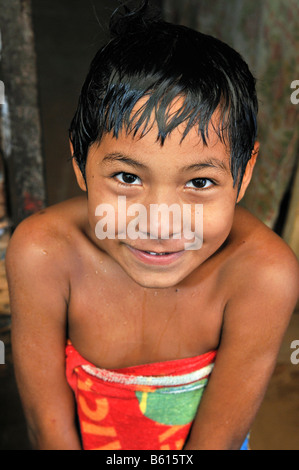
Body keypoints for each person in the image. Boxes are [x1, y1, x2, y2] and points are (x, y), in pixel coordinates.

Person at [5, 0, 299, 450]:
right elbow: (49, 432)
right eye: (127, 178)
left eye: (199, 182)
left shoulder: (262, 276)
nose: (160, 224)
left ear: (245, 172)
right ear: (80, 163)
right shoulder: (43, 254)